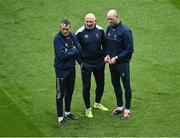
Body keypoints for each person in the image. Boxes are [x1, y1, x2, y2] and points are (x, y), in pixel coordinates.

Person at [76, 13, 108, 118]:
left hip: (99, 63)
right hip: (86, 64)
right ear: (84, 21)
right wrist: (81, 63)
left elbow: (105, 45)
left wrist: (104, 57)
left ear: (95, 21)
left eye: (91, 21)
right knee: (86, 87)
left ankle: (97, 103)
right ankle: (88, 109)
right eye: (87, 21)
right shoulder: (80, 33)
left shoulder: (100, 30)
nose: (89, 23)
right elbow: (75, 50)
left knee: (101, 84)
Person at [104, 9, 134, 119]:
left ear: (117, 17)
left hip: (122, 64)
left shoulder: (125, 31)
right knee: (115, 84)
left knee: (126, 86)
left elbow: (130, 49)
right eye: (108, 19)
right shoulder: (109, 29)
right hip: (112, 64)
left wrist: (117, 57)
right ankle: (119, 107)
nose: (109, 21)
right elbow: (107, 45)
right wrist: (107, 55)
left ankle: (127, 110)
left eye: (111, 19)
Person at [53, 19, 81, 126]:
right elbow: (62, 55)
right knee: (60, 94)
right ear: (60, 28)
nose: (64, 31)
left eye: (66, 29)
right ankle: (60, 117)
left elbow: (79, 48)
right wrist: (72, 49)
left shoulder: (73, 36)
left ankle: (67, 112)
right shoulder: (57, 39)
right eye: (63, 29)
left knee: (70, 91)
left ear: (70, 28)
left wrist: (68, 50)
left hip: (71, 69)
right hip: (61, 70)